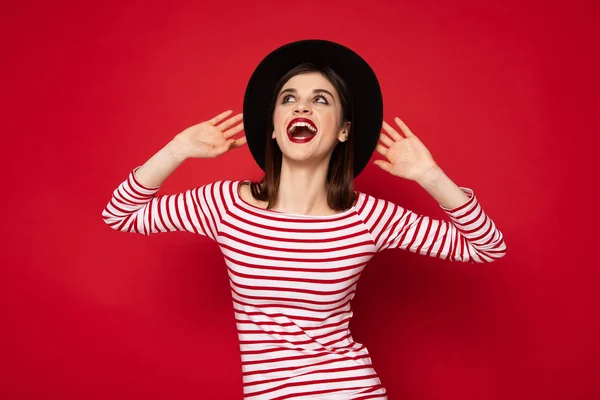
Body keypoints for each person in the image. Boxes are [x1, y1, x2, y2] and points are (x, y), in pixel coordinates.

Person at [102, 40, 507, 399]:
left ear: (344, 131)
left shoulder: (368, 218)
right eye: (289, 98)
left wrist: (430, 177)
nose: (302, 106)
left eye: (321, 100)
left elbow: (487, 247)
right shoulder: (225, 205)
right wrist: (176, 150)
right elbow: (120, 214)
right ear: (275, 129)